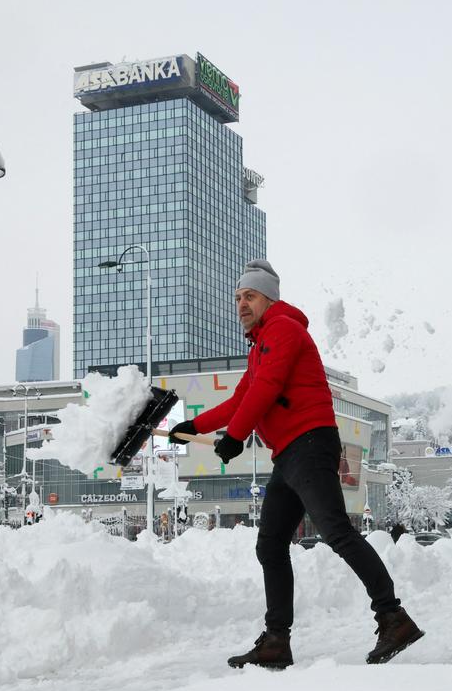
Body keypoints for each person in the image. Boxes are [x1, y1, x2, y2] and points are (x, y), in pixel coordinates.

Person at [168, 259, 424, 668]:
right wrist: (192, 425)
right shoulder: (260, 346)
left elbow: (267, 389)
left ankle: (394, 617)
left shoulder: (283, 330)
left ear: (269, 298)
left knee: (337, 532)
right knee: (270, 544)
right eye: (237, 298)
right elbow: (240, 400)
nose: (241, 304)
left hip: (309, 442)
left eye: (249, 296)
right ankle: (276, 640)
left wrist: (235, 436)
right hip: (288, 453)